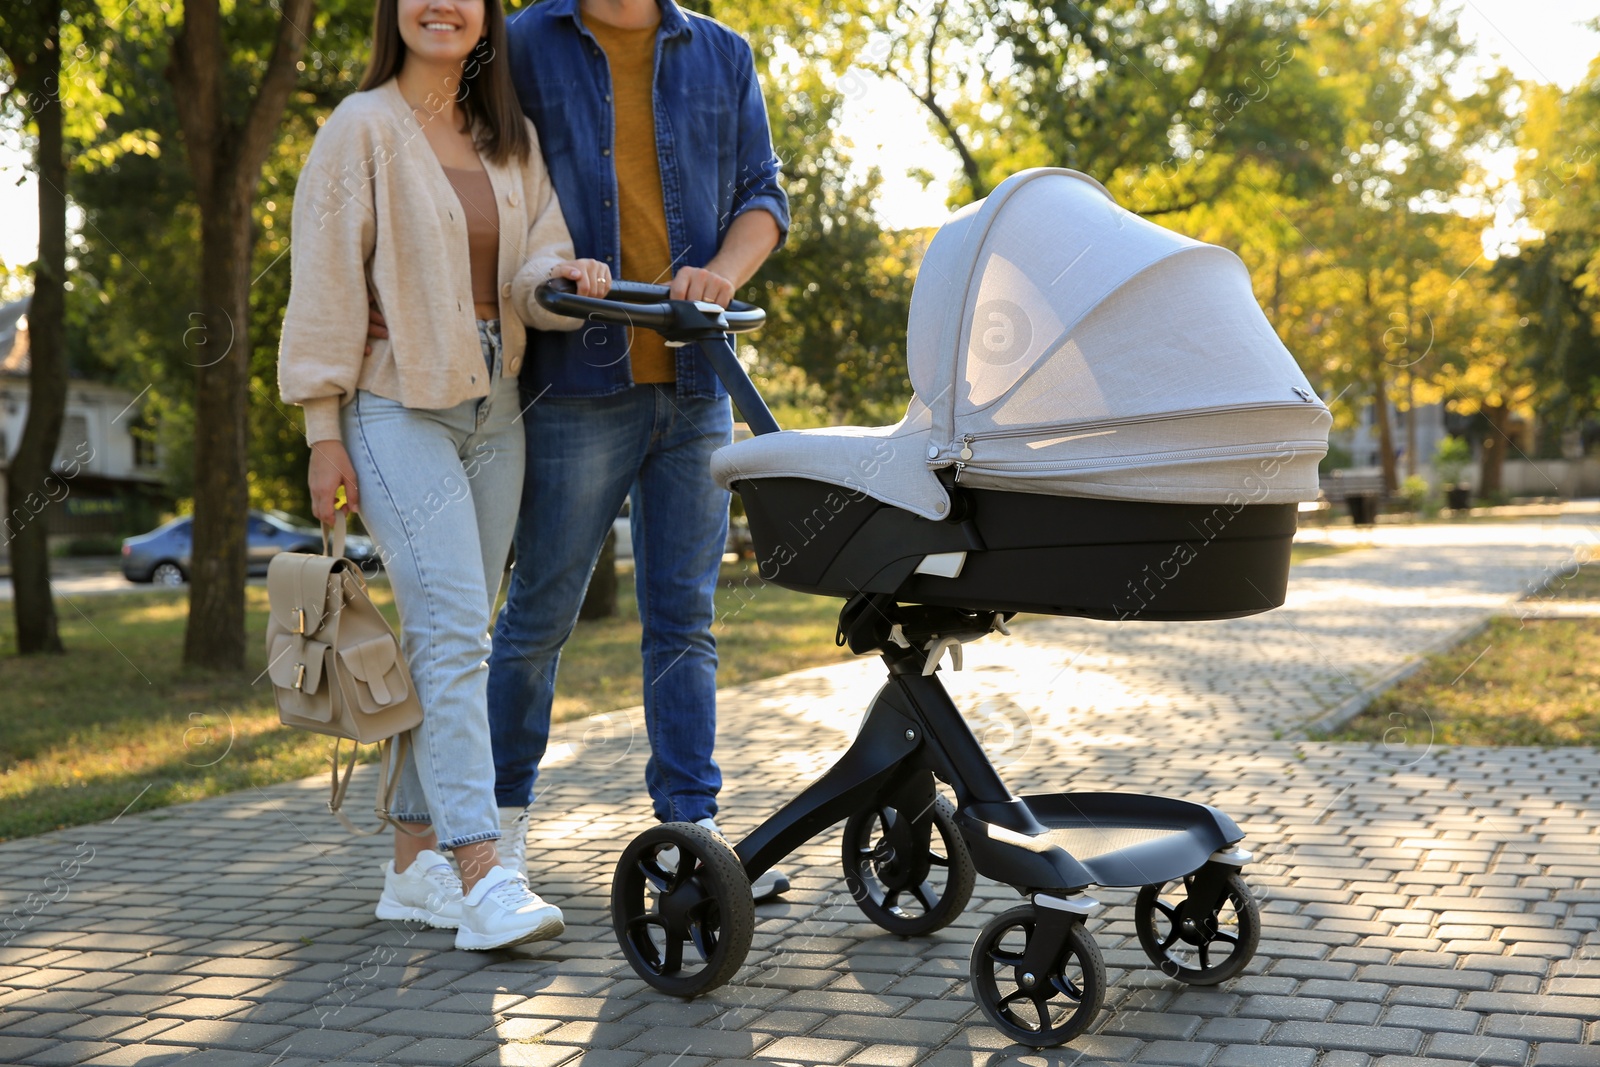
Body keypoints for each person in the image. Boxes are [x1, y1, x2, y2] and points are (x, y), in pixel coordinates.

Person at [277, 0, 611, 950]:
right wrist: (321, 431)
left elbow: (534, 254)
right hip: (392, 407)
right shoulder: (361, 127)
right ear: (394, 13)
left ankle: (411, 866)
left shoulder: (508, 137)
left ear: (485, 18)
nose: (442, 5)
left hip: (495, 410)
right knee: (458, 627)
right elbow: (325, 282)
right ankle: (480, 867)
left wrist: (566, 275)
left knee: (453, 634)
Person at [489, 0, 790, 896]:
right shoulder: (518, 45)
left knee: (683, 624)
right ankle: (494, 839)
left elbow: (763, 196)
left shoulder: (723, 54)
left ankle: (690, 839)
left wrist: (722, 274)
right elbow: (483, 180)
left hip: (700, 383)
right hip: (576, 384)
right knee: (538, 618)